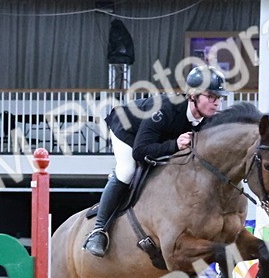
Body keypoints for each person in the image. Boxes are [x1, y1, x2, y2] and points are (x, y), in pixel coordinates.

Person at [82, 66, 227, 257]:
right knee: (127, 171)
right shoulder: (164, 110)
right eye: (211, 97)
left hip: (157, 139)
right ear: (193, 95)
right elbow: (140, 151)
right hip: (127, 130)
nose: (216, 103)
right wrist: (174, 145)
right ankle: (98, 231)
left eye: (219, 98)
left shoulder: (207, 121)